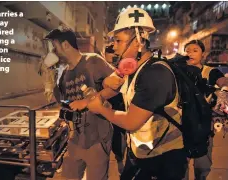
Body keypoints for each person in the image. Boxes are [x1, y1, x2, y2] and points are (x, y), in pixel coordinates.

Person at [87, 7, 188, 180]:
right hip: (142, 154)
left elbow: (130, 121)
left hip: (164, 159)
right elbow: (114, 89)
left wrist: (101, 108)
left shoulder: (155, 74)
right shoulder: (135, 70)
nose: (114, 47)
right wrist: (104, 86)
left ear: (138, 42)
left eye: (118, 41)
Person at [43, 28, 117, 180]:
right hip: (75, 138)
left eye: (54, 47)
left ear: (65, 45)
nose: (53, 52)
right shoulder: (63, 74)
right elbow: (63, 102)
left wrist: (87, 101)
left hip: (97, 138)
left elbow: (117, 86)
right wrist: (50, 81)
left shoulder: (93, 61)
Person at [184, 39, 228, 180]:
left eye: (195, 50)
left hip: (204, 126)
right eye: (188, 50)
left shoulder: (211, 72)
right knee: (180, 167)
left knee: (202, 167)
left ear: (203, 54)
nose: (190, 53)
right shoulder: (178, 72)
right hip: (182, 125)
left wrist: (224, 91)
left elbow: (224, 82)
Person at [104, 44, 127, 174]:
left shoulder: (124, 68)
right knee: (116, 139)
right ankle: (119, 161)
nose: (113, 56)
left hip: (125, 108)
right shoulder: (102, 69)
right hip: (109, 110)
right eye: (110, 53)